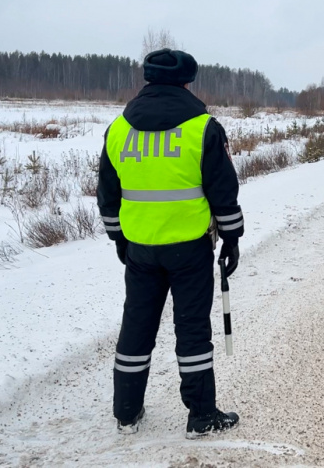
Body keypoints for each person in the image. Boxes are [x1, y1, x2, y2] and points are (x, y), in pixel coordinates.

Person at [97, 48, 243, 438]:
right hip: (190, 249)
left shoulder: (119, 129)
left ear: (147, 78)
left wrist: (119, 239)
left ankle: (126, 413)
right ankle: (201, 416)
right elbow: (223, 190)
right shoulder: (202, 128)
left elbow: (108, 196)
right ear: (187, 81)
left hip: (140, 249)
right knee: (192, 330)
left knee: (136, 328)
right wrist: (231, 238)